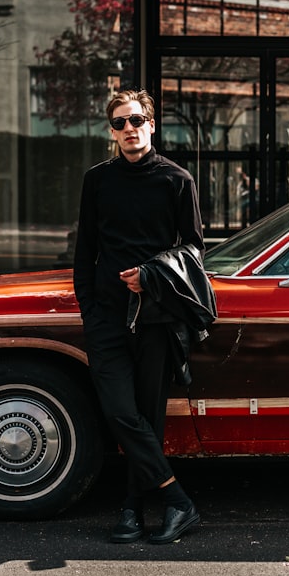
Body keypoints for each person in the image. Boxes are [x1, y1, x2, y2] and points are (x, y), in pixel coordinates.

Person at [73, 89, 204, 545]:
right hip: (107, 318)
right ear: (112, 132)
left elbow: (193, 249)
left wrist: (149, 276)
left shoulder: (177, 180)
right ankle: (178, 501)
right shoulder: (98, 180)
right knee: (121, 413)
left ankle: (131, 509)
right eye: (119, 123)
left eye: (135, 120)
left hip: (157, 318)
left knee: (147, 416)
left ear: (151, 124)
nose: (128, 129)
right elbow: (84, 251)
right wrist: (90, 311)